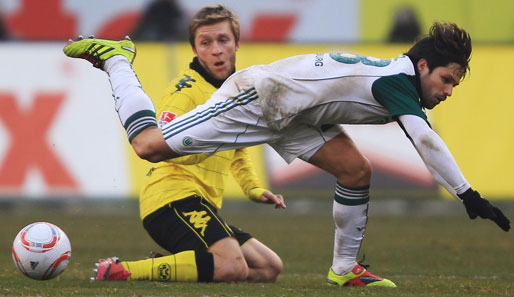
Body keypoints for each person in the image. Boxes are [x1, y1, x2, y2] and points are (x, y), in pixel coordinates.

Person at [64, 21, 511, 287]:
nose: (448, 91)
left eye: (455, 85)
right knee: (149, 146)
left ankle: (343, 270)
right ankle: (118, 58)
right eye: (447, 80)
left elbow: (421, 134)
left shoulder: (399, 79)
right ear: (423, 67)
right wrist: (467, 194)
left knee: (356, 171)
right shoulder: (398, 82)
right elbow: (425, 140)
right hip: (260, 98)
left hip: (296, 114)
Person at [85, 5, 285, 283]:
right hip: (171, 199)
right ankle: (121, 271)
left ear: (237, 44)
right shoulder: (186, 91)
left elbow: (238, 150)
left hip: (202, 205)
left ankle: (171, 265)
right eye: (206, 42)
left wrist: (254, 188)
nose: (216, 50)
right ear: (195, 49)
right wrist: (207, 145)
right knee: (232, 267)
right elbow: (161, 143)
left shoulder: (237, 91)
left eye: (223, 40)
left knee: (269, 267)